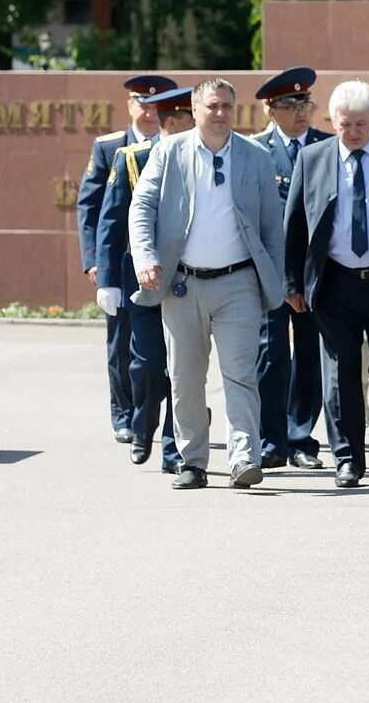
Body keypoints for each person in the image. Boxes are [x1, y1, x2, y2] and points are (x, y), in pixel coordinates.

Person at [130, 78, 288, 491]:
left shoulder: (255, 156)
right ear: (195, 110)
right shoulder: (169, 151)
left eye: (227, 107)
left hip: (238, 283)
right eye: (213, 106)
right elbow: (141, 206)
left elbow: (273, 224)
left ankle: (243, 459)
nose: (220, 114)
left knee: (240, 375)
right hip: (182, 284)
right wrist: (146, 258)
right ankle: (193, 460)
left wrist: (273, 277)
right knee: (185, 378)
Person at [280, 81, 369, 489]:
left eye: (360, 124)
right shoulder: (313, 158)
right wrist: (292, 283)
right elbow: (295, 224)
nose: (353, 132)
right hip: (335, 281)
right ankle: (347, 457)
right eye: (344, 125)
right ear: (332, 122)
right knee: (340, 374)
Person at [94, 86, 196, 474]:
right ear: (173, 122)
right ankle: (141, 427)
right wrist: (107, 279)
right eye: (188, 118)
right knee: (148, 364)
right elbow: (110, 219)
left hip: (189, 278)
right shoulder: (131, 158)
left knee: (183, 367)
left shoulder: (202, 161)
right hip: (141, 278)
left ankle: (174, 448)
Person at [77, 74, 176, 443]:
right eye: (142, 104)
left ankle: (160, 414)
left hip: (166, 265)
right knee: (121, 344)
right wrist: (96, 264)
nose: (148, 112)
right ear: (130, 106)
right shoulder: (110, 148)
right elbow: (92, 209)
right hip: (121, 263)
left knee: (161, 347)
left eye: (156, 105)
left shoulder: (179, 147)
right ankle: (123, 414)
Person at [252, 66, 332, 471]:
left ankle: (301, 436)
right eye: (291, 104)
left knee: (309, 357)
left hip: (315, 272)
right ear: (271, 110)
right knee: (270, 354)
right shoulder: (254, 151)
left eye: (306, 103)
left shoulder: (326, 147)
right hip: (268, 273)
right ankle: (271, 438)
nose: (302, 111)